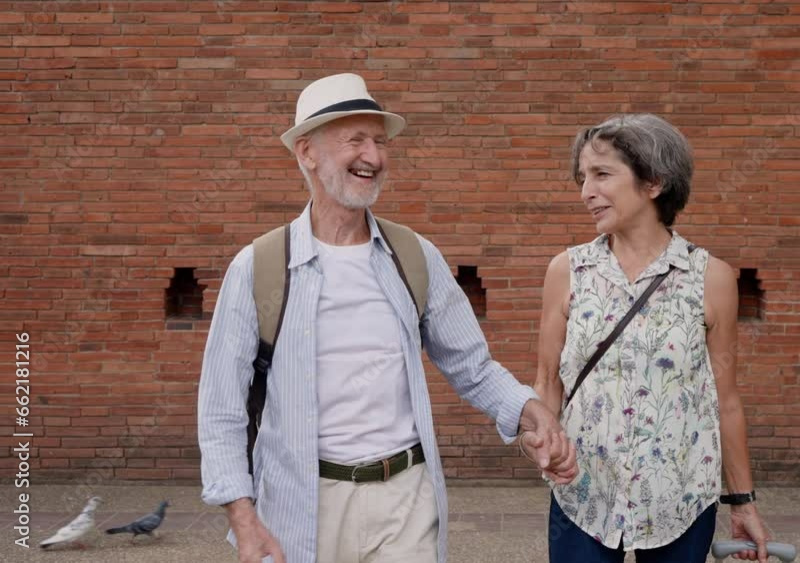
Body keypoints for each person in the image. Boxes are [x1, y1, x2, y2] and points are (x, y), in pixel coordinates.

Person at [197, 73, 577, 563]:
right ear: (307, 152)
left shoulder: (414, 257)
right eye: (355, 140)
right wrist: (243, 518)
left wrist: (531, 411)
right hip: (300, 506)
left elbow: (473, 368)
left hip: (406, 500)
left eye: (380, 141)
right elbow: (221, 408)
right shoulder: (259, 267)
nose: (373, 157)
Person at [530, 114, 770, 562]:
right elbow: (547, 382)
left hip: (680, 501)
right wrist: (540, 439)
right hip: (584, 496)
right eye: (583, 178)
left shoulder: (710, 278)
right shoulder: (567, 271)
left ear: (654, 182)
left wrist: (742, 502)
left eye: (602, 174)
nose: (586, 192)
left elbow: (725, 400)